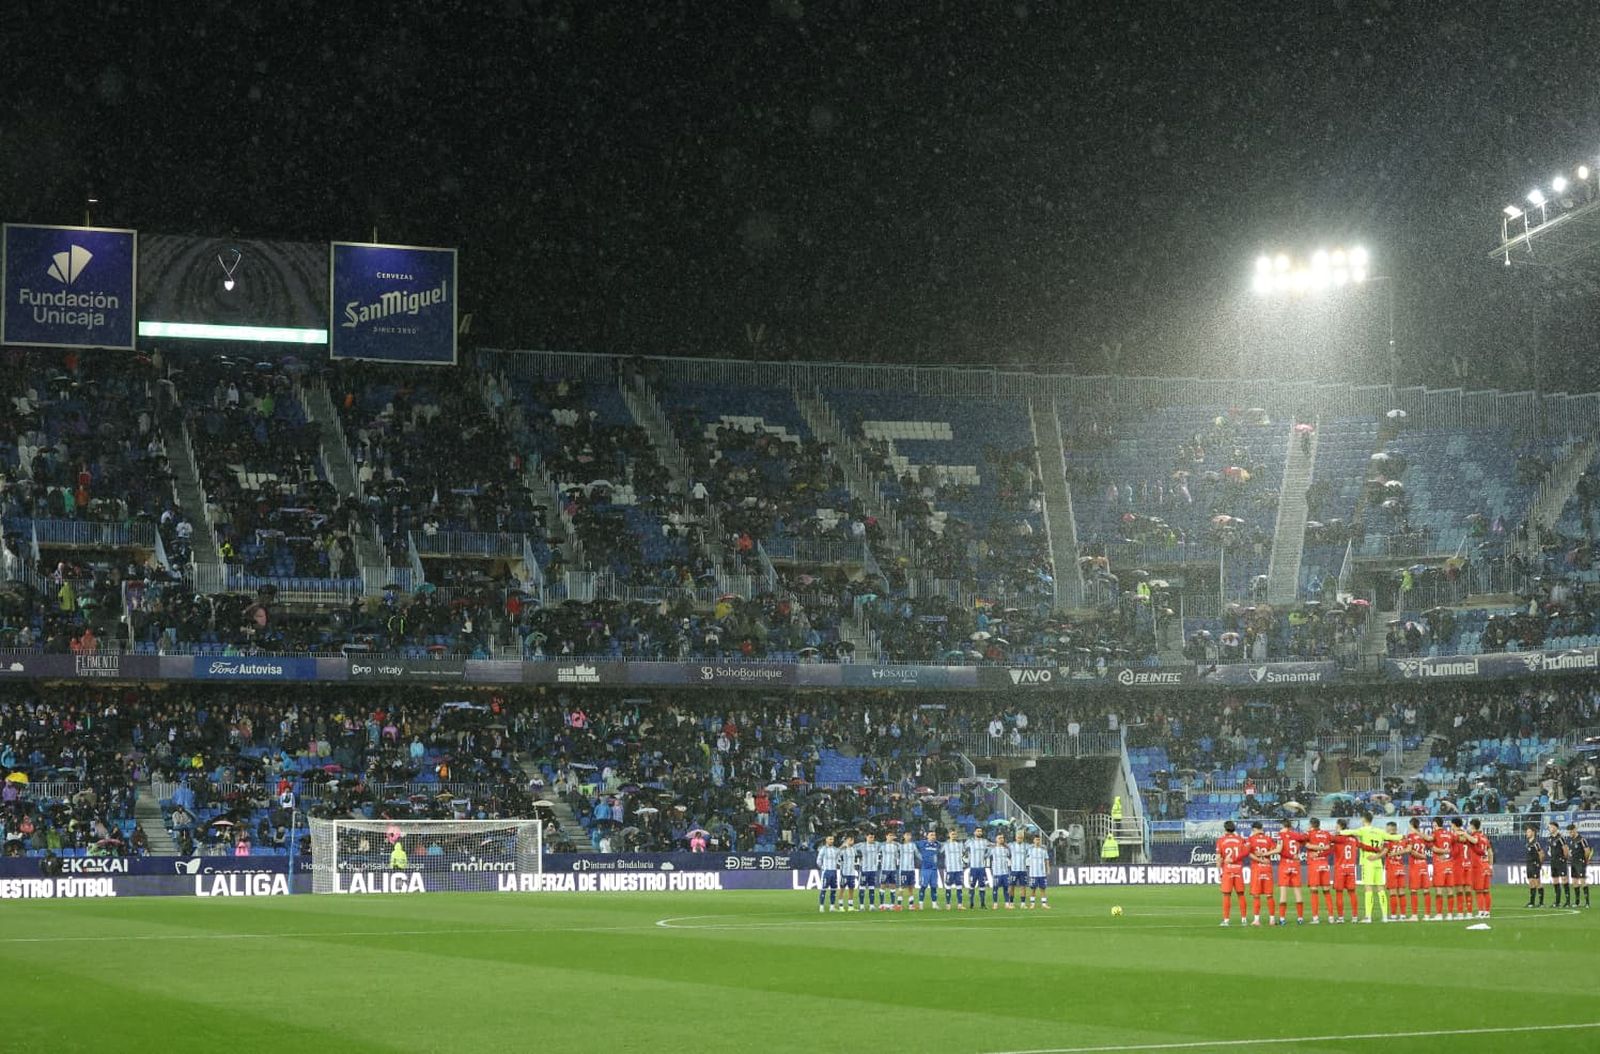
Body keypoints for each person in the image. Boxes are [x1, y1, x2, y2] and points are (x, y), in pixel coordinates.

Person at [1215, 819, 1248, 926]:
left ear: (1225, 829)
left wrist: (1219, 871)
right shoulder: (1240, 839)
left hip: (1228, 870)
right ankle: (1244, 920)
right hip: (1238, 869)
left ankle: (1226, 920)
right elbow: (1245, 851)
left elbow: (1219, 858)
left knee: (1226, 895)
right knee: (1241, 894)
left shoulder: (1221, 840)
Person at [1274, 819, 1306, 925]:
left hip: (1284, 865)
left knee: (1283, 893)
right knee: (1298, 892)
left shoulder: (1281, 835)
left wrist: (1266, 853)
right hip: (1295, 864)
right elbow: (1304, 840)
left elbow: (1279, 850)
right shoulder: (1296, 835)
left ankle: (1282, 919)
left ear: (1283, 826)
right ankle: (1300, 918)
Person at [1330, 818, 1362, 923]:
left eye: (1336, 825)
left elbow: (1329, 847)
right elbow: (1361, 846)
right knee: (1352, 893)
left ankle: (1340, 918)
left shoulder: (1337, 838)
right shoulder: (1353, 839)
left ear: (1339, 826)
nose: (1335, 827)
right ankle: (1355, 917)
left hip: (1340, 869)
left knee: (1339, 893)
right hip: (1351, 869)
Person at [1304, 817, 1334, 924]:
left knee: (1314, 891)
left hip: (1314, 864)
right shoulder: (1326, 834)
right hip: (1324, 865)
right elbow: (1331, 845)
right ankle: (1331, 918)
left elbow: (1305, 843)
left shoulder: (1309, 833)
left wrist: (1315, 850)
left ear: (1311, 825)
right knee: (1326, 891)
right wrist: (1323, 850)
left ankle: (1315, 918)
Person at [1245, 820, 1275, 926]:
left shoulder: (1251, 839)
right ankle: (1272, 920)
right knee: (1269, 895)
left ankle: (1257, 920)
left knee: (1256, 896)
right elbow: (1275, 850)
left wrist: (1260, 860)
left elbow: (1248, 853)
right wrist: (1266, 855)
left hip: (1257, 869)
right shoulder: (1269, 839)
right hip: (1267, 868)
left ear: (1254, 829)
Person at [1404, 817, 1431, 921]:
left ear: (1411, 825)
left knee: (1414, 890)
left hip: (1415, 865)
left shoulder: (1410, 836)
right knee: (1426, 890)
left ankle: (1414, 915)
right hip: (1423, 865)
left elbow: (1410, 851)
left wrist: (1420, 855)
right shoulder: (1423, 836)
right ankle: (1427, 915)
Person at [1431, 815, 1458, 920]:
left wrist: (1443, 851)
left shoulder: (1435, 834)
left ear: (1435, 824)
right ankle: (1450, 914)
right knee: (1450, 890)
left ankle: (1439, 914)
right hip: (1449, 864)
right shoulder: (1449, 834)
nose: (1432, 826)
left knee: (1439, 890)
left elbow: (1434, 848)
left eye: (1433, 824)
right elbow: (1458, 841)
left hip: (1439, 864)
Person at [1382, 821, 1407, 922]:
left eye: (1387, 829)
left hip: (1392, 868)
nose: (1386, 830)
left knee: (1392, 893)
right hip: (1400, 868)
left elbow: (1383, 852)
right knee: (1401, 892)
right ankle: (1403, 915)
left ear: (1391, 829)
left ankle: (1393, 915)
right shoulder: (1402, 839)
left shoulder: (1388, 840)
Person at [1468, 818, 1492, 918]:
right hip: (1486, 865)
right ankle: (1487, 912)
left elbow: (1474, 840)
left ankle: (1481, 911)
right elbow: (1490, 852)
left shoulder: (1475, 836)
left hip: (1478, 866)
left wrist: (1465, 834)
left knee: (1479, 890)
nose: (1469, 828)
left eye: (1470, 826)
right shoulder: (1484, 837)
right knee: (1486, 890)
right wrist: (1490, 865)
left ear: (1473, 826)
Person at [965, 827, 992, 909]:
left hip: (982, 868)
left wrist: (986, 856)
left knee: (982, 885)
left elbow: (990, 848)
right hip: (973, 867)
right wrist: (968, 857)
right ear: (974, 832)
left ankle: (983, 904)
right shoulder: (970, 841)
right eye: (978, 831)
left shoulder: (985, 842)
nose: (979, 832)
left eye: (980, 831)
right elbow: (964, 849)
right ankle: (971, 903)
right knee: (972, 885)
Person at [940, 828, 966, 909]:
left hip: (959, 869)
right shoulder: (945, 845)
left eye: (955, 834)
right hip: (950, 869)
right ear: (949, 835)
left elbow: (964, 853)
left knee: (959, 886)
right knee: (948, 886)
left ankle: (960, 905)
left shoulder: (960, 845)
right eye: (952, 834)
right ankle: (948, 904)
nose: (954, 836)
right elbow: (940, 852)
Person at [1024, 834, 1051, 909]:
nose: (1037, 841)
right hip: (1033, 873)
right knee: (1033, 889)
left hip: (1042, 873)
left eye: (1039, 840)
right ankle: (1032, 904)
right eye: (1036, 840)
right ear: (1033, 841)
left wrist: (1048, 869)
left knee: (1043, 889)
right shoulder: (1030, 849)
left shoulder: (1043, 850)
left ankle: (1044, 904)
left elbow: (1046, 860)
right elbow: (1025, 858)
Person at [1547, 821, 1570, 908]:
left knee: (1564, 880)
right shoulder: (1549, 838)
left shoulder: (1561, 838)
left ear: (1556, 827)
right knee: (1555, 881)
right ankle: (1557, 902)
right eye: (1549, 827)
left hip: (1561, 861)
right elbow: (1550, 849)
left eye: (1551, 827)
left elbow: (1565, 849)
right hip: (1553, 862)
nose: (1550, 828)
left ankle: (1567, 902)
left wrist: (1564, 859)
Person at [1567, 823, 1589, 908]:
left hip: (1580, 862)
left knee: (1583, 881)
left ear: (1575, 830)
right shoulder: (1571, 840)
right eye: (1569, 832)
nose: (1571, 833)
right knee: (1575, 882)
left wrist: (1585, 860)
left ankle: (1587, 902)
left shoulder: (1581, 839)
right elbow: (1570, 851)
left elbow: (1587, 851)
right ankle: (1577, 902)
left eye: (1572, 831)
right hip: (1573, 862)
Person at [816, 834, 840, 912]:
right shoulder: (823, 849)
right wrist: (823, 868)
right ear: (826, 840)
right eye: (830, 839)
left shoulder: (835, 849)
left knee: (833, 889)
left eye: (832, 839)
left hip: (834, 871)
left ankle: (832, 907)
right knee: (824, 889)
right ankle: (821, 906)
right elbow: (818, 860)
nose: (831, 841)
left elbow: (837, 859)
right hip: (826, 872)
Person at [859, 832, 881, 910]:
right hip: (864, 870)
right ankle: (861, 906)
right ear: (866, 837)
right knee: (862, 887)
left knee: (872, 887)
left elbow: (885, 844)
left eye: (873, 837)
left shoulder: (877, 845)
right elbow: (851, 846)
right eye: (870, 837)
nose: (872, 839)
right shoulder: (862, 845)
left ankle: (872, 905)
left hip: (873, 870)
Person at [990, 834, 1013, 910]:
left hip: (1005, 872)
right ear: (996, 839)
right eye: (999, 838)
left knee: (1006, 888)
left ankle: (1007, 904)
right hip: (996, 872)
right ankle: (995, 904)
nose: (1001, 839)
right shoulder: (992, 849)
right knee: (995, 888)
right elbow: (986, 856)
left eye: (1002, 838)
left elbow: (1010, 856)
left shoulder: (1006, 849)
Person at [897, 831, 918, 911]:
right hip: (903, 869)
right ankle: (899, 905)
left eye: (910, 835)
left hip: (911, 869)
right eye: (907, 835)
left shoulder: (913, 845)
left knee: (911, 887)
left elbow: (917, 854)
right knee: (902, 887)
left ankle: (911, 905)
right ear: (904, 836)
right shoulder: (900, 845)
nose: (908, 836)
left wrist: (923, 859)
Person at [838, 834, 860, 911]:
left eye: (853, 840)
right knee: (842, 889)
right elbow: (836, 854)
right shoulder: (843, 849)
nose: (852, 842)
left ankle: (850, 906)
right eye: (850, 840)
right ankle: (841, 906)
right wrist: (841, 847)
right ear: (846, 840)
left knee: (851, 889)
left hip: (852, 872)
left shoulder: (853, 849)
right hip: (845, 872)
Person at [1524, 825, 1544, 908]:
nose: (1526, 833)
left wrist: (1539, 864)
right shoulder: (1528, 843)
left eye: (1528, 832)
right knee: (1531, 883)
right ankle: (1532, 902)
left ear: (1533, 832)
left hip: (1535, 864)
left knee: (1537, 882)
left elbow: (1541, 854)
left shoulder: (1536, 843)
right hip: (1529, 864)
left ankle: (1541, 903)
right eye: (1527, 832)